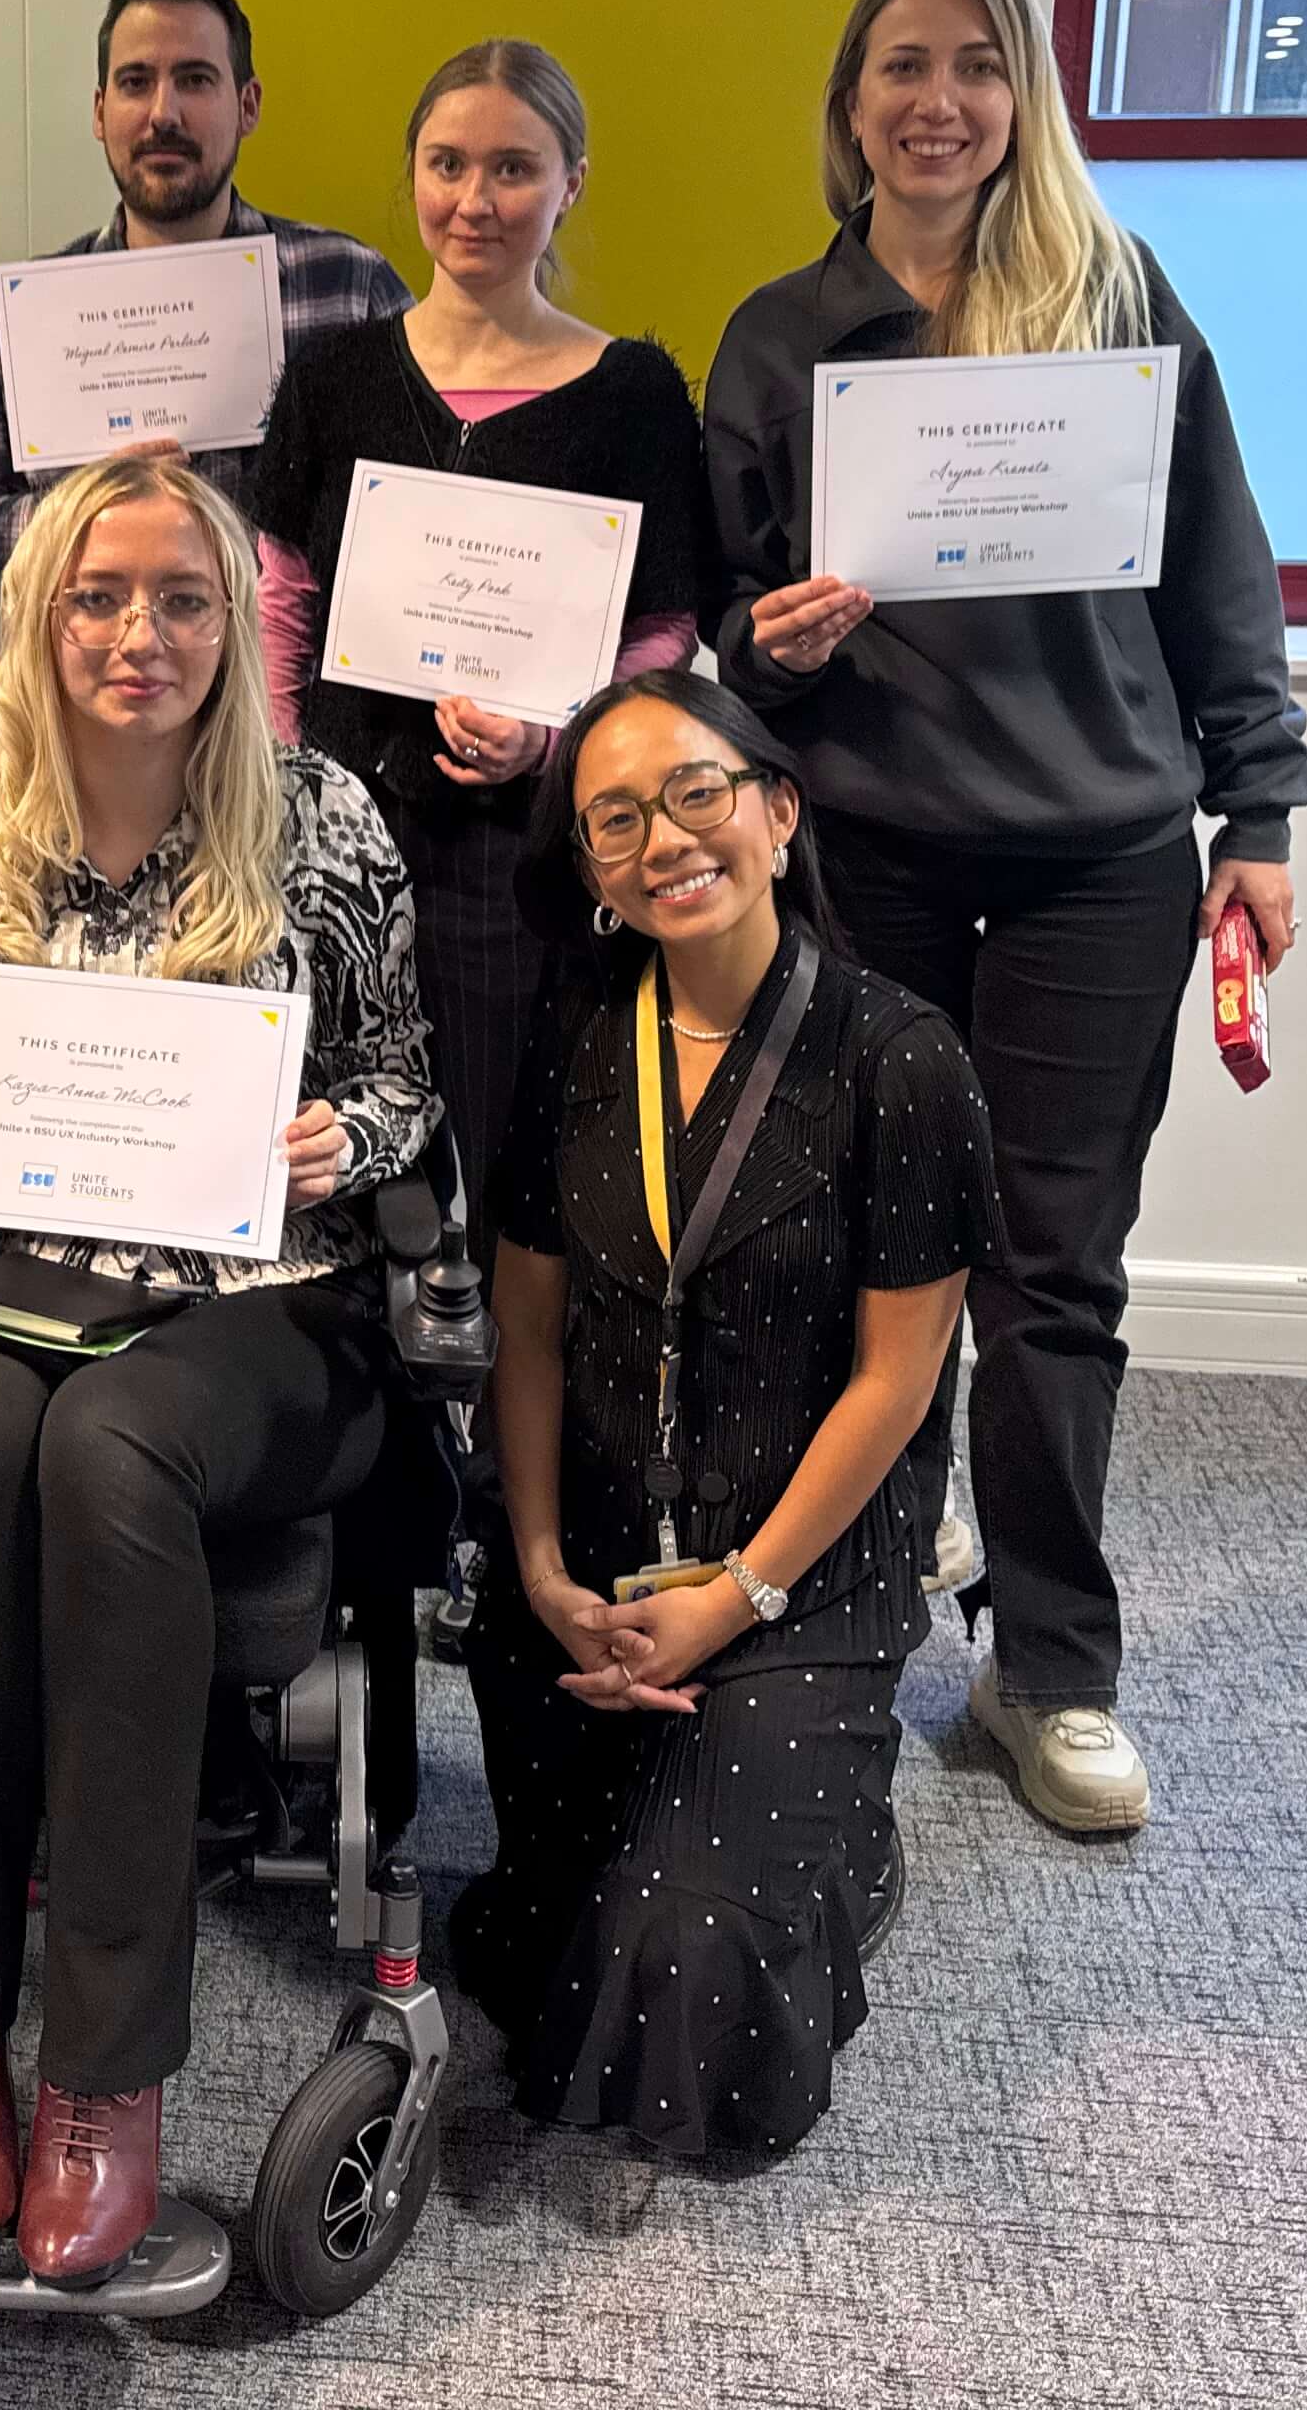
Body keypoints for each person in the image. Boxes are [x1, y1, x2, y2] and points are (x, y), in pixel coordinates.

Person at [704, 0, 1307, 1837]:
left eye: (976, 64)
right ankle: (830, 1625)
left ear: (1020, 97)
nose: (937, 99)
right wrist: (771, 643)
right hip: (866, 856)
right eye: (900, 64)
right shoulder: (779, 336)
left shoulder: (1117, 301)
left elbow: (1220, 568)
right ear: (848, 103)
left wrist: (1262, 814)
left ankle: (1048, 1667)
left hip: (1096, 866)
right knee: (855, 1265)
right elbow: (717, 620)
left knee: (1054, 1276)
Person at [0, 454, 437, 2283]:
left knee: (110, 1446)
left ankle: (106, 2065)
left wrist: (348, 1131)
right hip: (11, 1280)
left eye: (181, 597)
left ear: (233, 624)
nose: (138, 632)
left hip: (259, 1299)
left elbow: (410, 1078)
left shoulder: (324, 817)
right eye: (99, 595)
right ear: (41, 614)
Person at [452, 670, 998, 2158]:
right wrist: (548, 1566)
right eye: (613, 818)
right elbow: (530, 1328)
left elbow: (900, 1384)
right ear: (593, 872)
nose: (662, 838)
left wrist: (740, 1592)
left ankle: (844, 1841)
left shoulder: (903, 1060)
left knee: (679, 1986)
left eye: (696, 792)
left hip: (797, 1566)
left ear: (776, 811)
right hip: (600, 1564)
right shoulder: (573, 1039)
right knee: (523, 1947)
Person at [248, 38, 720, 1210]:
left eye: (513, 168)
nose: (474, 200)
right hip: (338, 833)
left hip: (522, 853)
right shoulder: (334, 372)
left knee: (510, 1169)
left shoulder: (634, 395)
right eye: (446, 164)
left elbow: (663, 629)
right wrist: (281, 779)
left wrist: (555, 738)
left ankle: (506, 1399)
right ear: (411, 172)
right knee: (335, 1155)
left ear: (573, 183)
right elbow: (282, 595)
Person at [0, 0, 413, 585]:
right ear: (100, 113)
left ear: (248, 104)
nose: (163, 114)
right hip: (97, 676)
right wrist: (90, 513)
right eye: (135, 82)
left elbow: (426, 505)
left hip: (289, 680)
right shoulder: (23, 316)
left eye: (195, 80)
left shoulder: (349, 288)